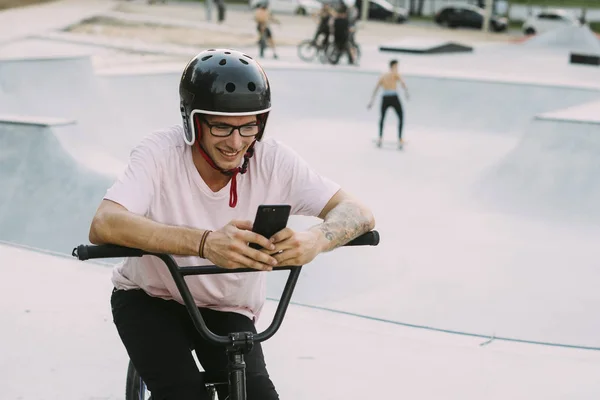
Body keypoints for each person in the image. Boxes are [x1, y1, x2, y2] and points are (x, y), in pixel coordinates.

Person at [88, 48, 375, 400]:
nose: (236, 142)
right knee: (183, 393)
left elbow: (358, 211)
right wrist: (205, 242)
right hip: (149, 297)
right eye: (222, 127)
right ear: (193, 122)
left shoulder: (275, 161)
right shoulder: (160, 153)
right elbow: (105, 222)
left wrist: (316, 240)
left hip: (227, 309)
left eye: (248, 127)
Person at [367, 59, 410, 149]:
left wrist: (371, 101)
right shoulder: (395, 74)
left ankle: (380, 137)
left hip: (385, 97)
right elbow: (403, 84)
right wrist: (406, 92)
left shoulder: (383, 76)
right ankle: (400, 138)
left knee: (382, 117)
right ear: (393, 66)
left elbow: (376, 88)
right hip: (393, 97)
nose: (397, 68)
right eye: (397, 66)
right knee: (401, 116)